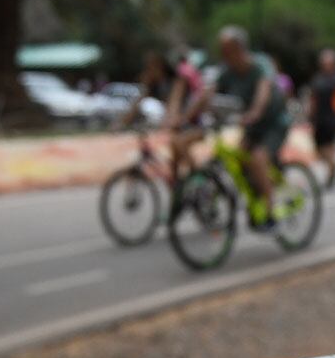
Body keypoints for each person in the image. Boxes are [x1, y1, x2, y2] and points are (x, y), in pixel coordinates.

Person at [186, 26, 290, 229]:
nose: (224, 54)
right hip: (251, 125)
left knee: (258, 159)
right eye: (222, 50)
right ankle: (256, 196)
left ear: (240, 48)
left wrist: (256, 112)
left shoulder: (260, 64)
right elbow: (208, 94)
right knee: (240, 158)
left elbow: (263, 89)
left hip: (274, 123)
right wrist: (187, 117)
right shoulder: (227, 72)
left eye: (227, 49)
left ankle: (271, 212)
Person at [117, 49, 204, 183]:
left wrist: (171, 118)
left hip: (191, 124)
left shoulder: (177, 80)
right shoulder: (154, 86)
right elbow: (136, 104)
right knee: (174, 170)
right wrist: (122, 122)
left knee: (178, 144)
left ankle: (200, 180)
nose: (149, 71)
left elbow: (175, 101)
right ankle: (178, 196)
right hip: (176, 127)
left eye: (151, 67)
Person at [308, 48, 335, 189]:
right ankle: (333, 166)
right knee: (319, 149)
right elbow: (313, 99)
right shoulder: (318, 79)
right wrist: (311, 115)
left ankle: (331, 173)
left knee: (328, 147)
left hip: (331, 119)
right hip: (319, 118)